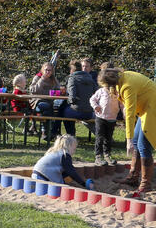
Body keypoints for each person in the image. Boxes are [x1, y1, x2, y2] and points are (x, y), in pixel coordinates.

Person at [100, 67, 155, 195]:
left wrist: (128, 140)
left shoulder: (127, 86)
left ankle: (145, 184)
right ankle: (133, 178)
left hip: (152, 108)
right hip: (145, 109)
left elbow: (130, 116)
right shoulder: (123, 77)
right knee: (137, 142)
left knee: (143, 145)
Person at [63, 59, 98, 135]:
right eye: (83, 66)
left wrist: (70, 101)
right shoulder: (91, 79)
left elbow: (72, 97)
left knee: (63, 112)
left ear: (72, 70)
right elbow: (97, 93)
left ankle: (71, 135)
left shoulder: (72, 78)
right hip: (89, 112)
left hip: (78, 111)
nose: (84, 68)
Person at [30, 62, 62, 141]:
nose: (48, 72)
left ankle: (48, 132)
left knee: (59, 109)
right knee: (46, 107)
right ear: (42, 70)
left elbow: (58, 90)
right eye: (46, 70)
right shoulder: (37, 78)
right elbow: (33, 90)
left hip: (50, 101)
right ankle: (48, 131)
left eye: (50, 70)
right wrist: (42, 80)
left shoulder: (53, 79)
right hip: (37, 101)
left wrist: (59, 91)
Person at [90, 84, 119, 165]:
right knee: (100, 137)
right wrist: (95, 106)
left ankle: (107, 155)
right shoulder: (101, 91)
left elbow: (122, 104)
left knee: (108, 138)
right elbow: (92, 99)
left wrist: (124, 113)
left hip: (112, 119)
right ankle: (98, 157)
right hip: (101, 117)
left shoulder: (117, 92)